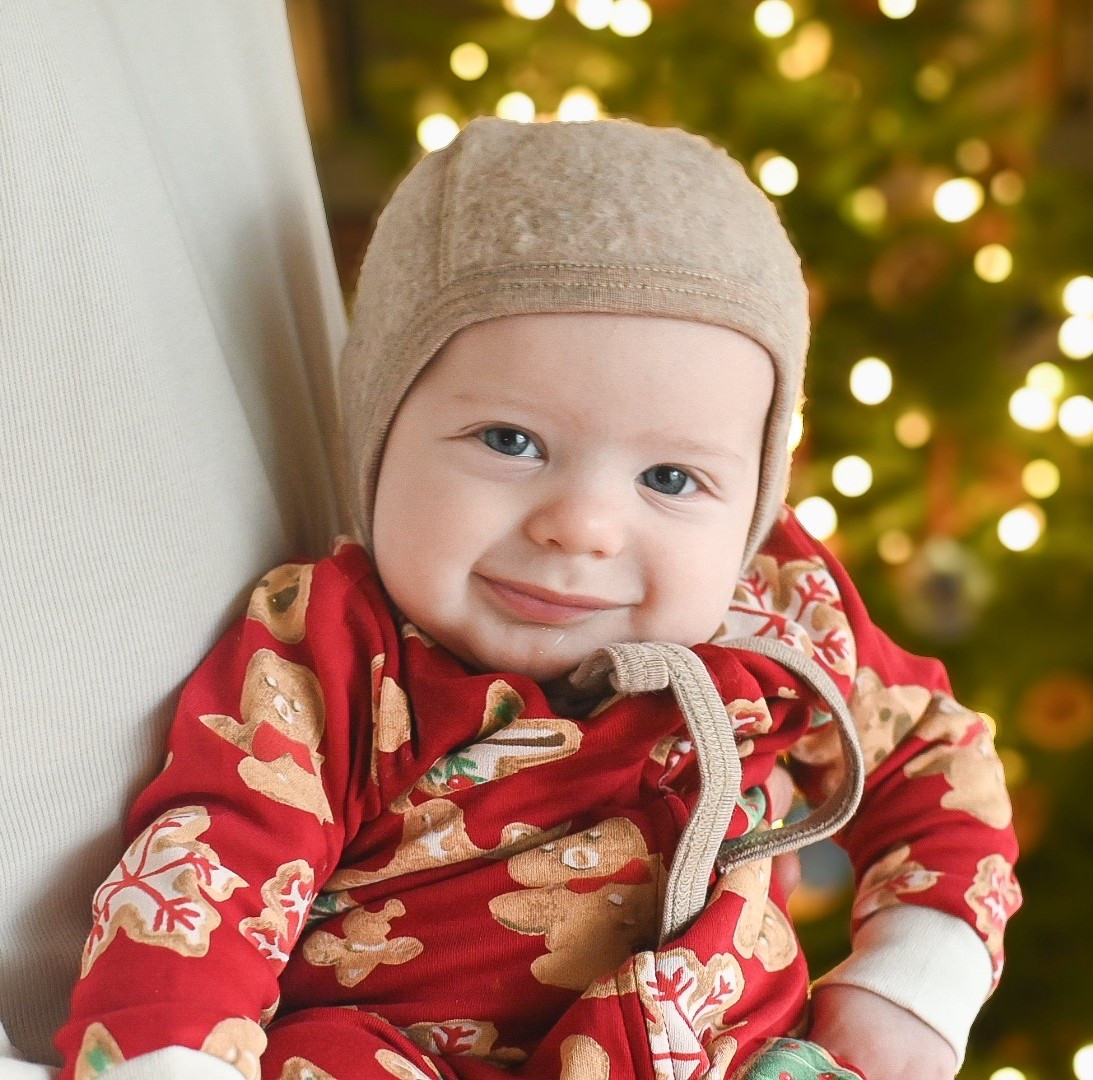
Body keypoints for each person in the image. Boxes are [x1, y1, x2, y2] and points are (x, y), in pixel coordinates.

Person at [55, 117, 1020, 1080]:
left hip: (730, 1053)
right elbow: (214, 867)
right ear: (381, 435)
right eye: (509, 441)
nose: (582, 526)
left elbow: (929, 748)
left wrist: (914, 981)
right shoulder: (338, 653)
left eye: (671, 479)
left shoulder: (774, 611)